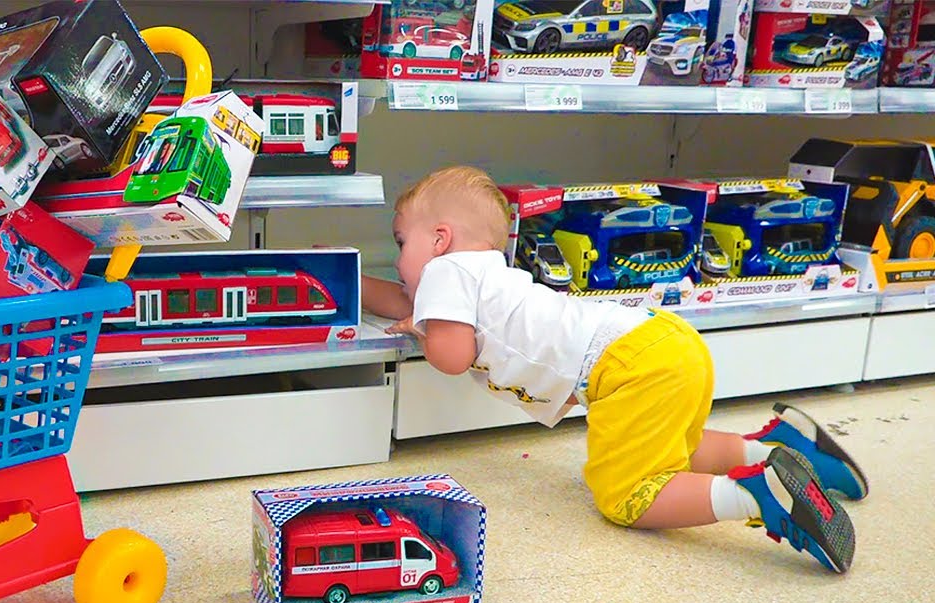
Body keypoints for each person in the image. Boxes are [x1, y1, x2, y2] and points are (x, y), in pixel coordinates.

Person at [362, 165, 868, 573]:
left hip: (625, 366)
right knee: (672, 448)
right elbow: (401, 297)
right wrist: (353, 281)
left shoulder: (446, 273)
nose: (399, 258)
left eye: (401, 243)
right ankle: (787, 449)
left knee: (629, 496)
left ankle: (758, 495)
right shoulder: (487, 269)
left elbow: (452, 356)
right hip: (660, 340)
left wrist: (420, 332)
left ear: (440, 239)